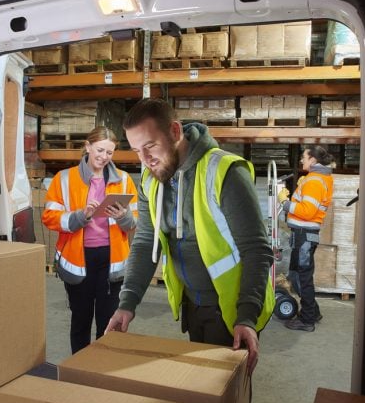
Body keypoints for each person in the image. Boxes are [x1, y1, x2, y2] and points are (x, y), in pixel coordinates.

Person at [105, 99, 274, 375]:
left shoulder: (225, 171)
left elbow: (256, 249)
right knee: (201, 389)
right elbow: (146, 242)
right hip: (193, 306)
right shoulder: (151, 179)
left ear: (174, 131)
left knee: (228, 399)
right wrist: (127, 303)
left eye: (150, 147)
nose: (145, 160)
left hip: (231, 310)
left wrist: (246, 316)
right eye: (137, 151)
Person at [42, 126, 138, 353]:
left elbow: (135, 221)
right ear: (87, 146)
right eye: (100, 150)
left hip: (112, 263)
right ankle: (79, 367)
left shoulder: (123, 180)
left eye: (109, 153)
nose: (104, 157)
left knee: (108, 323)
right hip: (79, 262)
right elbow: (49, 217)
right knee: (81, 321)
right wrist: (80, 216)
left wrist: (123, 216)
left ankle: (102, 370)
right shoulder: (64, 179)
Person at [280, 146, 334, 332]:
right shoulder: (317, 179)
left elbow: (307, 211)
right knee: (297, 275)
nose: (301, 161)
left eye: (304, 157)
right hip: (303, 236)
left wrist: (284, 203)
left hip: (304, 235)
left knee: (302, 277)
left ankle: (307, 320)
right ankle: (313, 312)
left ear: (313, 160)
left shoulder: (315, 181)